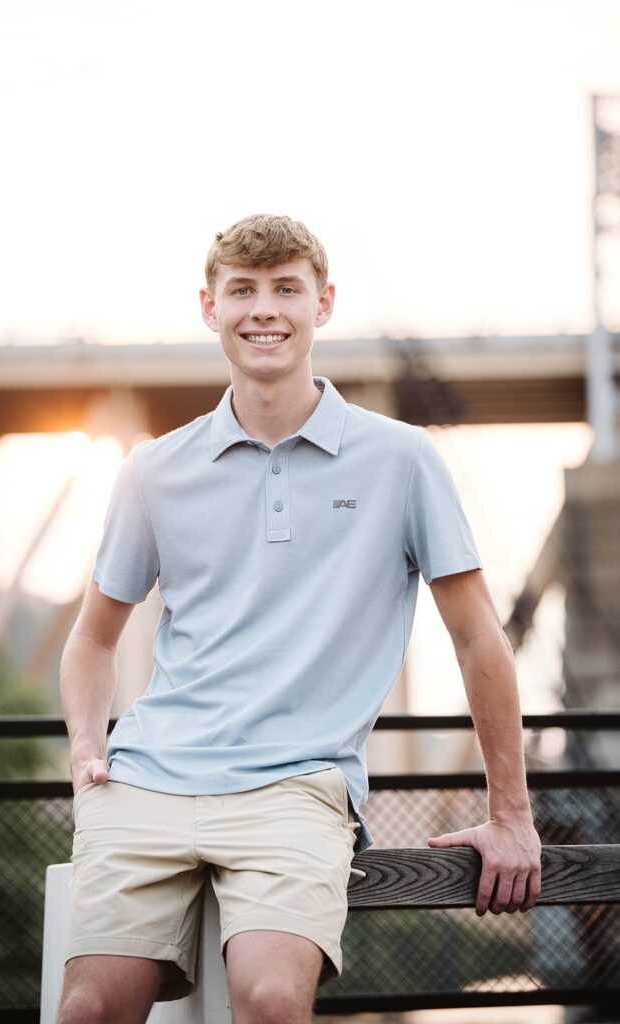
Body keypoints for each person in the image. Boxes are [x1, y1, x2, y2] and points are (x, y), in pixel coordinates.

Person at [57, 213, 542, 1024]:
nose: (263, 310)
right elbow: (92, 638)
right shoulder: (153, 469)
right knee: (87, 1010)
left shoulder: (401, 458)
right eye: (241, 290)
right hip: (146, 779)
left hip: (296, 787)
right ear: (208, 308)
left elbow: (477, 638)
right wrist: (86, 751)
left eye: (286, 288)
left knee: (274, 1001)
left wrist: (510, 816)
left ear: (323, 303)